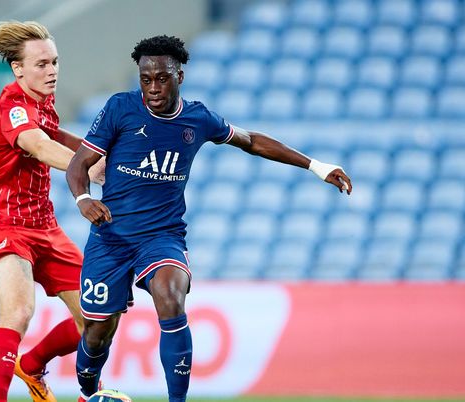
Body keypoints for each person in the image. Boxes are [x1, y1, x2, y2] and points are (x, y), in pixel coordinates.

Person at [66, 35, 352, 402]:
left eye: (162, 78)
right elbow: (78, 165)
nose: (153, 87)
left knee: (171, 296)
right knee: (97, 331)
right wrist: (84, 199)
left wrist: (315, 165)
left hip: (162, 236)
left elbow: (250, 141)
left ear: (179, 76)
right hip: (111, 238)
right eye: (146, 78)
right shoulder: (120, 108)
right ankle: (88, 391)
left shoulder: (197, 118)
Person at [0, 20, 103, 402]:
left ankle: (32, 364)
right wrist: (85, 167)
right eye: (41, 64)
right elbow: (38, 144)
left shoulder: (42, 102)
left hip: (45, 226)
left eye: (54, 62)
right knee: (18, 312)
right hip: (7, 225)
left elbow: (54, 134)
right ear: (18, 69)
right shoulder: (13, 105)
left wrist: (97, 156)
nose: (51, 71)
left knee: (100, 317)